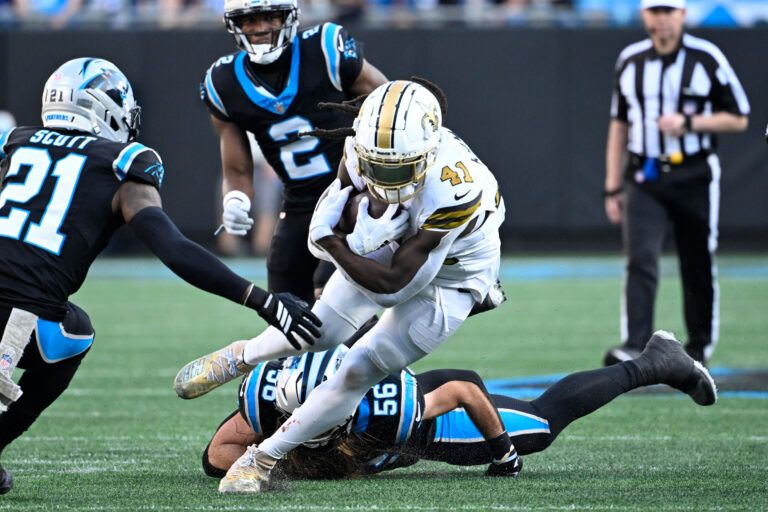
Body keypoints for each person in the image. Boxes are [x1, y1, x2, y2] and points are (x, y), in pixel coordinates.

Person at [0, 57, 322, 495]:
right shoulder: (122, 164)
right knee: (71, 333)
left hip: (21, 308)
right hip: (20, 315)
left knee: (74, 326)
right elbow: (173, 248)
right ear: (104, 108)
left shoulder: (14, 143)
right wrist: (262, 301)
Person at [175, 78, 513, 492]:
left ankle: (261, 459)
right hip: (402, 241)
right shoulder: (359, 147)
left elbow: (392, 289)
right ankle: (241, 355)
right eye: (378, 167)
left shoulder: (453, 191)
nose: (387, 179)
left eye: (400, 168)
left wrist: (333, 243)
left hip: (454, 275)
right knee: (318, 329)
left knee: (357, 371)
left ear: (427, 151)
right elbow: (341, 195)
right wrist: (345, 233)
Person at [202, 330, 716, 488]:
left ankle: (655, 363)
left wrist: (504, 455)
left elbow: (464, 386)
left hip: (440, 423)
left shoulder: (382, 412)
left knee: (540, 424)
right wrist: (273, 462)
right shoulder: (266, 404)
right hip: (393, 414)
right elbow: (215, 454)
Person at [202, 0, 388, 302]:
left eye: (270, 17)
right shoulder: (223, 82)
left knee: (329, 296)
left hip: (355, 192)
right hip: (301, 203)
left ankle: (357, 348)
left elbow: (390, 106)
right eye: (248, 20)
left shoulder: (324, 48)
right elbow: (236, 169)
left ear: (289, 16)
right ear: (233, 24)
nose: (260, 28)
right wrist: (235, 198)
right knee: (286, 304)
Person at [602, 0, 749, 367]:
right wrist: (612, 185)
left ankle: (699, 345)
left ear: (682, 14)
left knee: (695, 259)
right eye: (656, 11)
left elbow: (738, 117)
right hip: (645, 175)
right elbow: (619, 125)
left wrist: (690, 123)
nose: (662, 19)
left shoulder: (706, 57)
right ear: (644, 15)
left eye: (669, 11)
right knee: (640, 260)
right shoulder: (630, 60)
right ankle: (635, 345)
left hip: (693, 174)